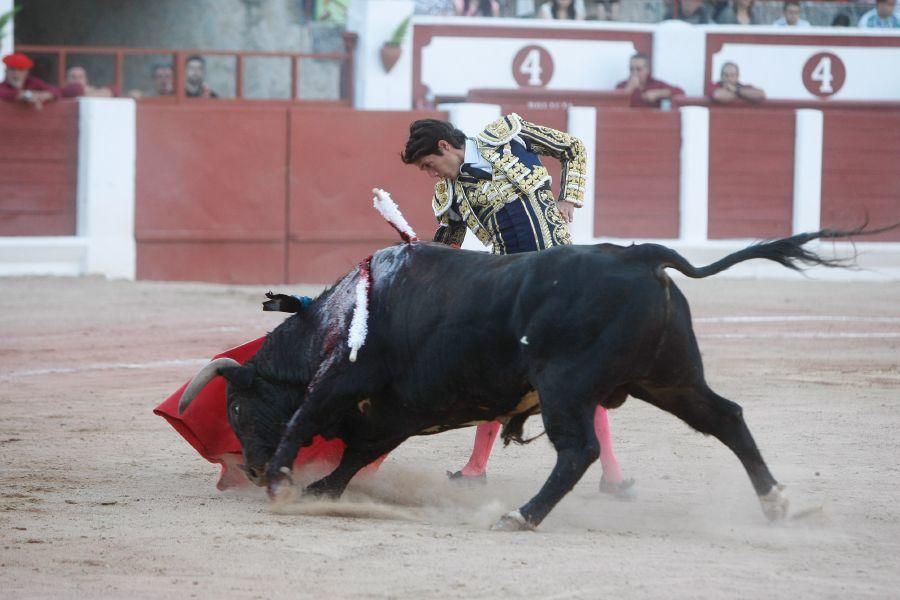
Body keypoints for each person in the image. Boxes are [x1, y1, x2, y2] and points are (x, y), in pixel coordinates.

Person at [400, 114, 635, 498]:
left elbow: (572, 148)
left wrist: (569, 197)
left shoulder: (506, 136)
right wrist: (419, 259)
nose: (431, 175)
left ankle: (612, 474)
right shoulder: (450, 194)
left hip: (562, 278)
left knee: (578, 373)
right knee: (497, 374)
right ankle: (476, 469)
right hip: (515, 290)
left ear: (444, 147)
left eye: (428, 165)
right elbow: (446, 250)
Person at [615, 53, 684, 109]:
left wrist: (658, 94)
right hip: (628, 122)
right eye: (631, 69)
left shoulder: (656, 84)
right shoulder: (621, 85)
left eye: (639, 69)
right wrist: (628, 90)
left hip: (652, 123)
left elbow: (680, 92)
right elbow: (614, 105)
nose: (634, 73)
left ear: (647, 70)